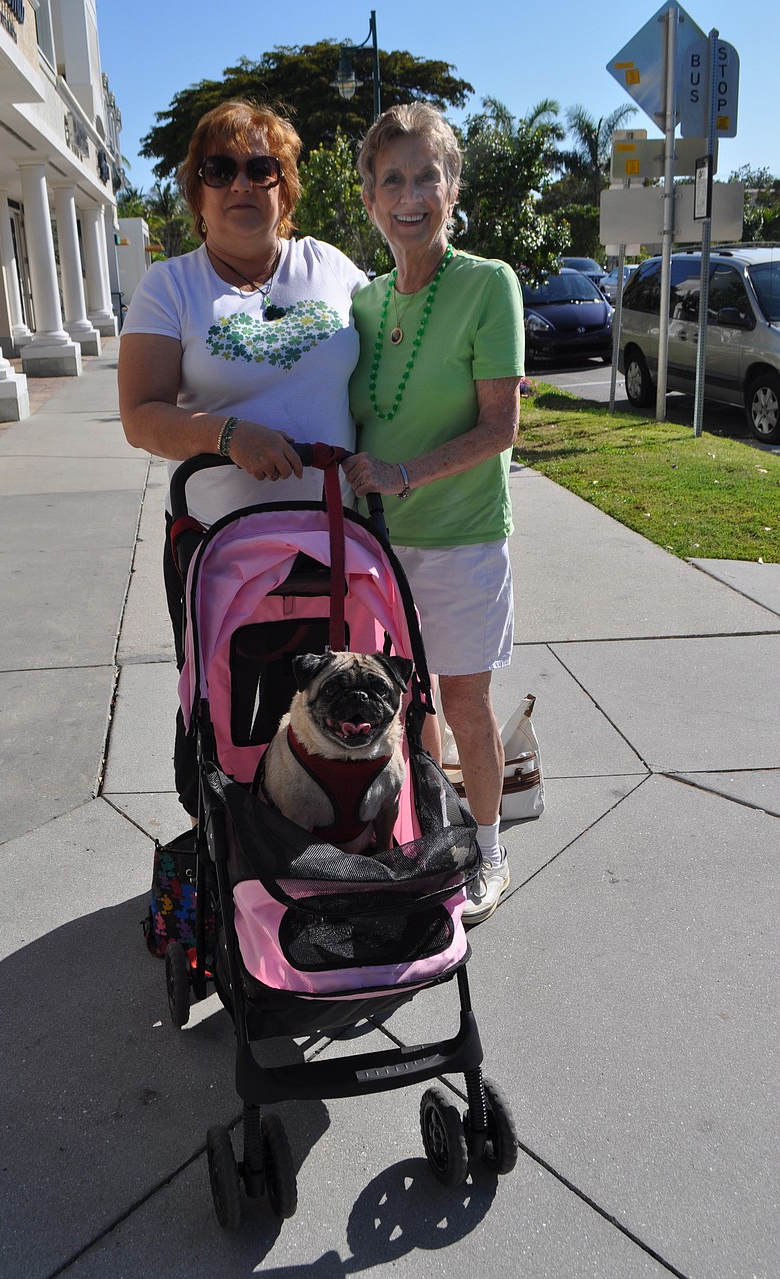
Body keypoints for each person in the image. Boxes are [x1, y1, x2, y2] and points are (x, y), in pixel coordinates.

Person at [118, 101, 367, 818]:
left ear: (285, 188)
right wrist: (228, 435)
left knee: (338, 714)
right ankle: (232, 848)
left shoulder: (332, 268)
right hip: (225, 554)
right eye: (219, 170)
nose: (242, 185)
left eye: (263, 169)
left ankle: (332, 852)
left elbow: (396, 361)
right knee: (230, 708)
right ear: (196, 193)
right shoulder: (171, 287)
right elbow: (142, 416)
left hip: (339, 541)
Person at [342, 103, 524, 927]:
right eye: (393, 180)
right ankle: (425, 836)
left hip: (461, 542)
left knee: (465, 707)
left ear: (453, 186)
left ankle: (487, 847)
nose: (410, 195)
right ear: (371, 199)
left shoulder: (490, 283)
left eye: (427, 176)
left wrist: (402, 474)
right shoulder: (366, 302)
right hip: (379, 549)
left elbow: (500, 427)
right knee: (403, 710)